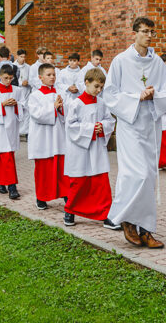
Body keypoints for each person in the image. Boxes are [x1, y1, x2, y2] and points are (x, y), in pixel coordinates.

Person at [104, 16, 166, 249]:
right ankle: (127, 220)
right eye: (144, 31)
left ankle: (145, 229)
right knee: (136, 174)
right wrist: (136, 97)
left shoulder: (158, 63)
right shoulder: (121, 61)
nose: (149, 36)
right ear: (134, 33)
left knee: (149, 176)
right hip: (130, 125)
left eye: (152, 32)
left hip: (151, 124)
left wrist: (155, 95)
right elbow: (110, 94)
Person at [63, 67, 120, 229]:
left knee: (101, 183)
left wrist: (102, 126)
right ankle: (70, 210)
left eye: (101, 87)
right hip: (80, 149)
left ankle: (106, 214)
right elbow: (70, 126)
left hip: (96, 148)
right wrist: (90, 129)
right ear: (86, 82)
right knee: (79, 182)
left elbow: (110, 121)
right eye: (96, 86)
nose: (99, 90)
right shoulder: (76, 104)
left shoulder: (102, 103)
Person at [27, 62, 68, 210]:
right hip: (43, 138)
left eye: (54, 75)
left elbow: (67, 114)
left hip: (58, 136)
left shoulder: (60, 93)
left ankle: (66, 194)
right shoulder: (35, 96)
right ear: (40, 77)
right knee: (44, 170)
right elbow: (36, 115)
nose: (52, 77)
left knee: (61, 168)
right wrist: (53, 107)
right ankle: (41, 197)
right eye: (49, 75)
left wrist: (62, 108)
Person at [0, 64, 24, 199]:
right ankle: (12, 187)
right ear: (0, 76)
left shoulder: (17, 90)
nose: (8, 81)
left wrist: (17, 104)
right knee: (6, 157)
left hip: (12, 127)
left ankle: (1, 182)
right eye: (5, 78)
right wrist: (1, 105)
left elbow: (24, 105)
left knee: (8, 156)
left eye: (10, 78)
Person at [14, 49, 31, 135]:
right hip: (18, 90)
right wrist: (21, 83)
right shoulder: (13, 66)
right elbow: (13, 79)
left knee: (27, 110)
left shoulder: (28, 67)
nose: (23, 59)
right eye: (21, 57)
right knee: (19, 110)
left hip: (26, 90)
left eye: (24, 57)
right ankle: (18, 130)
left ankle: (26, 131)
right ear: (17, 56)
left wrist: (28, 82)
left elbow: (31, 78)